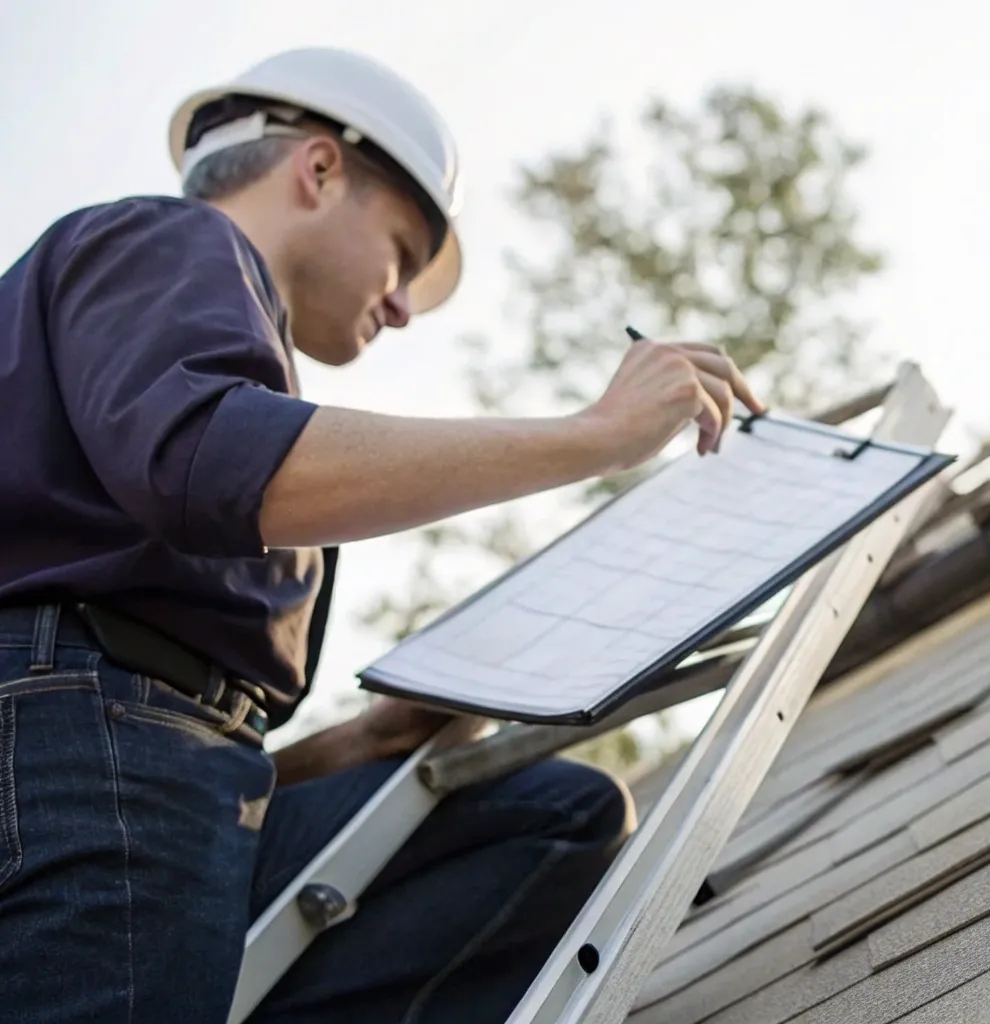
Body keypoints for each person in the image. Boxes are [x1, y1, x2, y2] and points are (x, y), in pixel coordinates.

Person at [0, 47, 766, 1023]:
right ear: (319, 168)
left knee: (550, 822)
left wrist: (361, 743)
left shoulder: (189, 339)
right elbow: (207, 462)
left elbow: (164, 711)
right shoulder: (174, 239)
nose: (401, 307)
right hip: (89, 746)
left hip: (161, 766)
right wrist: (597, 436)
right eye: (402, 252)